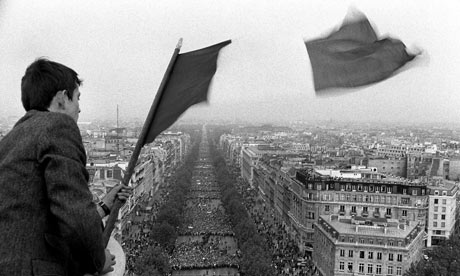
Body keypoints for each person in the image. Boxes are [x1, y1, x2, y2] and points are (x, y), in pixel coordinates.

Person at [0, 58, 130, 276]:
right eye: (77, 98)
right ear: (61, 98)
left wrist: (105, 205)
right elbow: (75, 218)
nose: (80, 108)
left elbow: (41, 219)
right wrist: (98, 261)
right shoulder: (58, 126)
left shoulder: (10, 141)